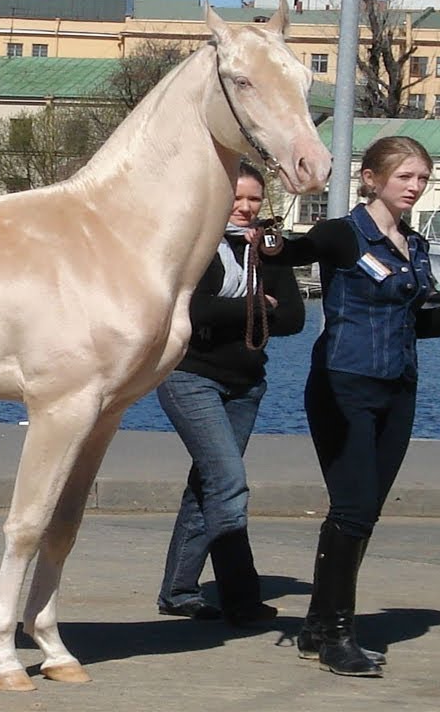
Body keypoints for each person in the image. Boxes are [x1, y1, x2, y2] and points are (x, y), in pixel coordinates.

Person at [248, 136, 440, 676]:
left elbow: (418, 320)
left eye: (422, 178)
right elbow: (292, 251)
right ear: (372, 179)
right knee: (353, 508)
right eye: (405, 177)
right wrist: (266, 238)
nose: (415, 187)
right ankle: (336, 633)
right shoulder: (343, 233)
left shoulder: (415, 245)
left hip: (397, 387)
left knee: (363, 513)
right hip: (342, 384)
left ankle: (316, 626)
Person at [155, 163, 305, 625]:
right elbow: (191, 308)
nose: (244, 208)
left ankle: (179, 591)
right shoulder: (194, 244)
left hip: (246, 385)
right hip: (190, 377)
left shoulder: (267, 250)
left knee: (208, 484)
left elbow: (295, 319)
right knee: (228, 483)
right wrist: (255, 308)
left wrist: (233, 312)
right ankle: (241, 597)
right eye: (236, 199)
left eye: (254, 200)